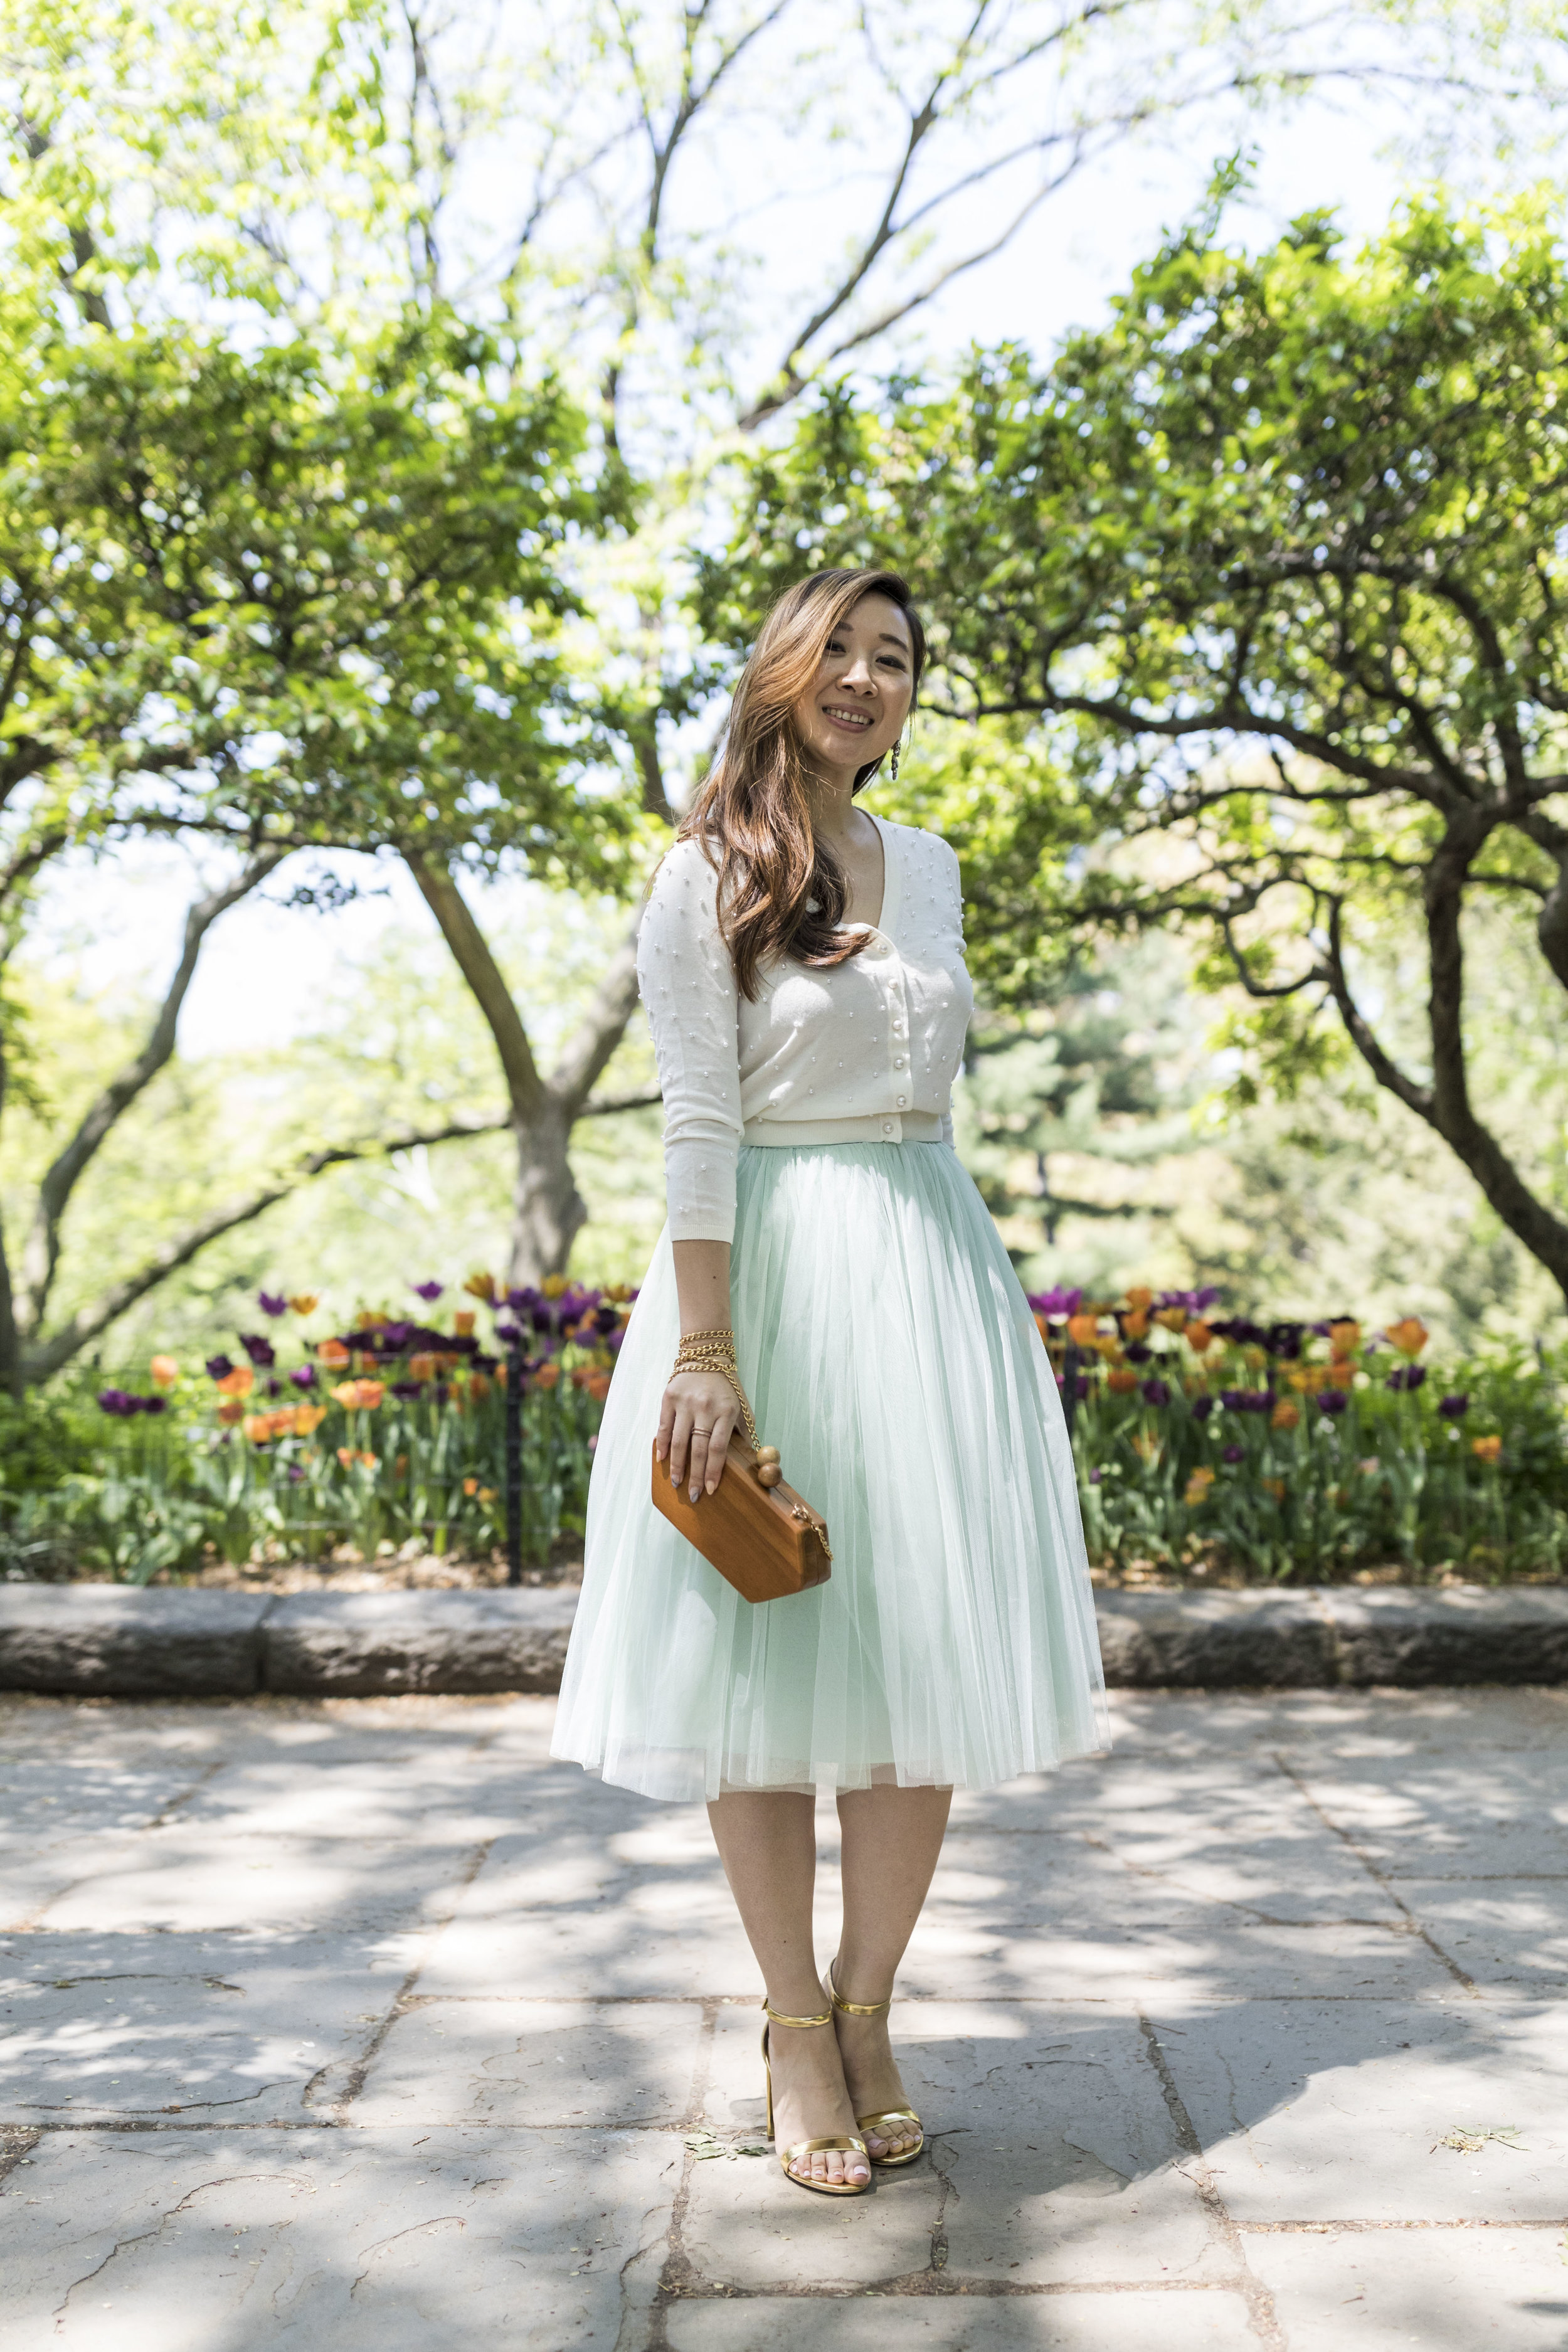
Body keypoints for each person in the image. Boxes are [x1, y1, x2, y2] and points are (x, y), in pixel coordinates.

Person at [553, 566, 1109, 2196]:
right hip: (768, 1276)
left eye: (896, 659)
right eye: (841, 652)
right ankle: (790, 2021)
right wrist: (708, 1351)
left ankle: (869, 2007)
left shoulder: (925, 867)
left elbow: (920, 1087)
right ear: (781, 673)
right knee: (758, 1658)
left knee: (918, 1655)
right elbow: (700, 1124)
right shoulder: (702, 873)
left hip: (928, 1273)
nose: (868, 678)